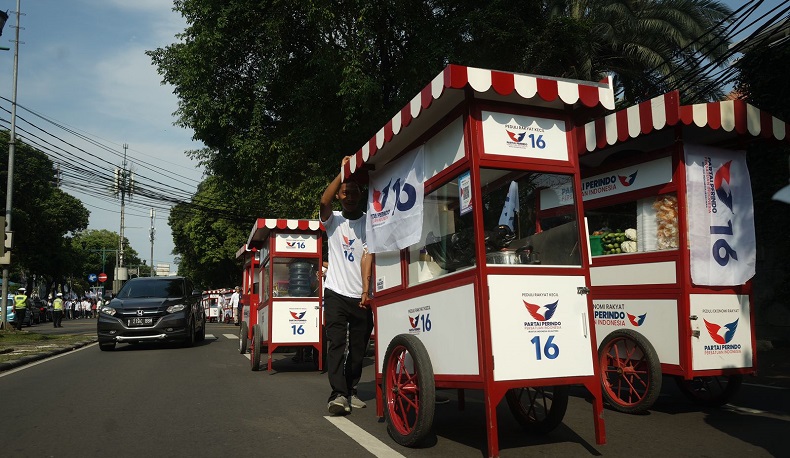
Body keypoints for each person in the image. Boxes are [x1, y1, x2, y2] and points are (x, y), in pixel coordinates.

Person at [320, 156, 374, 415]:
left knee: (359, 349)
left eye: (353, 192)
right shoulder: (334, 221)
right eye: (345, 192)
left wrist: (366, 291)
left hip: (361, 295)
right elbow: (323, 200)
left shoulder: (370, 221)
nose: (349, 196)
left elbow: (368, 255)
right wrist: (343, 172)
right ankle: (338, 395)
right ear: (340, 196)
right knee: (337, 344)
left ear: (360, 195)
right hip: (335, 293)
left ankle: (351, 389)